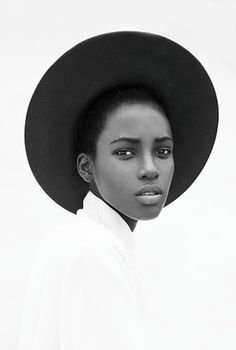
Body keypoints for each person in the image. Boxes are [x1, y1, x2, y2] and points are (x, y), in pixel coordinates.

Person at [20, 32, 218, 350]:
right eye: (125, 152)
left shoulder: (77, 241)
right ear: (87, 167)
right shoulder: (93, 251)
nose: (150, 168)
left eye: (163, 151)